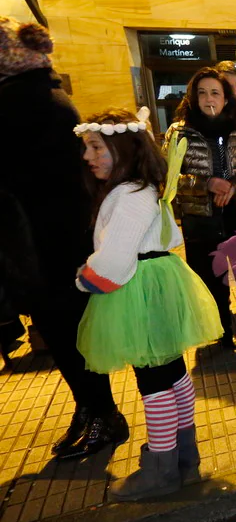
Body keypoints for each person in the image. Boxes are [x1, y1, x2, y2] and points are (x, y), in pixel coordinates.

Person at [75, 107, 222, 500]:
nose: (88, 157)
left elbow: (114, 260)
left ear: (123, 148)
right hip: (157, 283)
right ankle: (183, 460)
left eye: (95, 147)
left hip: (137, 288)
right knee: (172, 375)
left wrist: (85, 279)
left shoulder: (128, 195)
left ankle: (161, 469)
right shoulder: (145, 189)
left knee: (154, 383)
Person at [0, 16, 126, 459]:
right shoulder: (45, 96)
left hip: (47, 246)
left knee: (69, 335)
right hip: (57, 243)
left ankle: (100, 415)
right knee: (68, 335)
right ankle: (92, 410)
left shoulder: (25, 102)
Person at [165, 68, 236, 351]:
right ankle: (221, 330)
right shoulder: (179, 133)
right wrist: (206, 183)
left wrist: (234, 185)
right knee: (211, 279)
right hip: (201, 219)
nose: (208, 98)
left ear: (226, 98)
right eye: (202, 92)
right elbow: (168, 176)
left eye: (215, 92)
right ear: (192, 97)